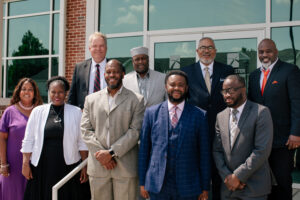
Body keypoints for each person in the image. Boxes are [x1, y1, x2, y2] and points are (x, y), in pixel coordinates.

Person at [139, 70, 210, 200]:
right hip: (157, 185)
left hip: (188, 186)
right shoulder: (151, 113)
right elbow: (144, 150)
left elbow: (204, 154)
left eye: (181, 85)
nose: (176, 88)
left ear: (186, 88)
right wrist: (142, 182)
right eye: (172, 84)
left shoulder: (199, 115)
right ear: (166, 87)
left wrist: (205, 187)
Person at [81, 59, 145, 200]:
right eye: (108, 72)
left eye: (115, 72)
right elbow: (85, 130)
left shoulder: (137, 100)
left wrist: (111, 153)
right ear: (104, 75)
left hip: (125, 167)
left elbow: (135, 131)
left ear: (123, 74)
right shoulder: (91, 99)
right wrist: (102, 156)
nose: (112, 75)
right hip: (98, 167)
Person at [181, 37, 234, 200]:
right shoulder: (186, 72)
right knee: (197, 171)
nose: (206, 50)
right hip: (196, 130)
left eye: (210, 47)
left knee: (220, 172)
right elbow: (183, 101)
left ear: (215, 51)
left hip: (222, 130)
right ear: (197, 51)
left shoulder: (227, 70)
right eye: (203, 47)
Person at [248, 38, 300, 200]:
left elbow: (297, 103)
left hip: (283, 139)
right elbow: (251, 105)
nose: (265, 55)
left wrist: (296, 133)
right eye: (261, 52)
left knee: (282, 180)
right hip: (260, 139)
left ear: (276, 52)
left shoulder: (290, 70)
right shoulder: (254, 75)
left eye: (268, 51)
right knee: (263, 181)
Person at [21, 76, 89, 200]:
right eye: (53, 92)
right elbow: (28, 140)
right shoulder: (37, 111)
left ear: (65, 93)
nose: (57, 95)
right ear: (48, 92)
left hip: (67, 165)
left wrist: (84, 165)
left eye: (60, 92)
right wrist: (25, 163)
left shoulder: (76, 112)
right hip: (42, 167)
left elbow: (82, 141)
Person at [213, 75, 273, 200]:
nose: (227, 95)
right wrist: (228, 177)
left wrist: (237, 176)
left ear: (243, 90)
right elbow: (217, 150)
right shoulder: (220, 116)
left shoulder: (261, 112)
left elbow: (261, 150)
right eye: (224, 91)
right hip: (228, 188)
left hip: (254, 188)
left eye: (231, 90)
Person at [0, 78, 43, 200]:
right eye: (24, 89)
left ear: (35, 92)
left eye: (30, 89)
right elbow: (2, 138)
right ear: (19, 91)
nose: (27, 92)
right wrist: (3, 163)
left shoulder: (41, 111)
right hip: (13, 164)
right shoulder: (10, 112)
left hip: (36, 162)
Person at [68, 32, 108, 109]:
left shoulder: (115, 67)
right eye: (94, 46)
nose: (98, 49)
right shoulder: (79, 68)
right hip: (85, 115)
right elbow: (72, 95)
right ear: (90, 48)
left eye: (101, 46)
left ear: (106, 48)